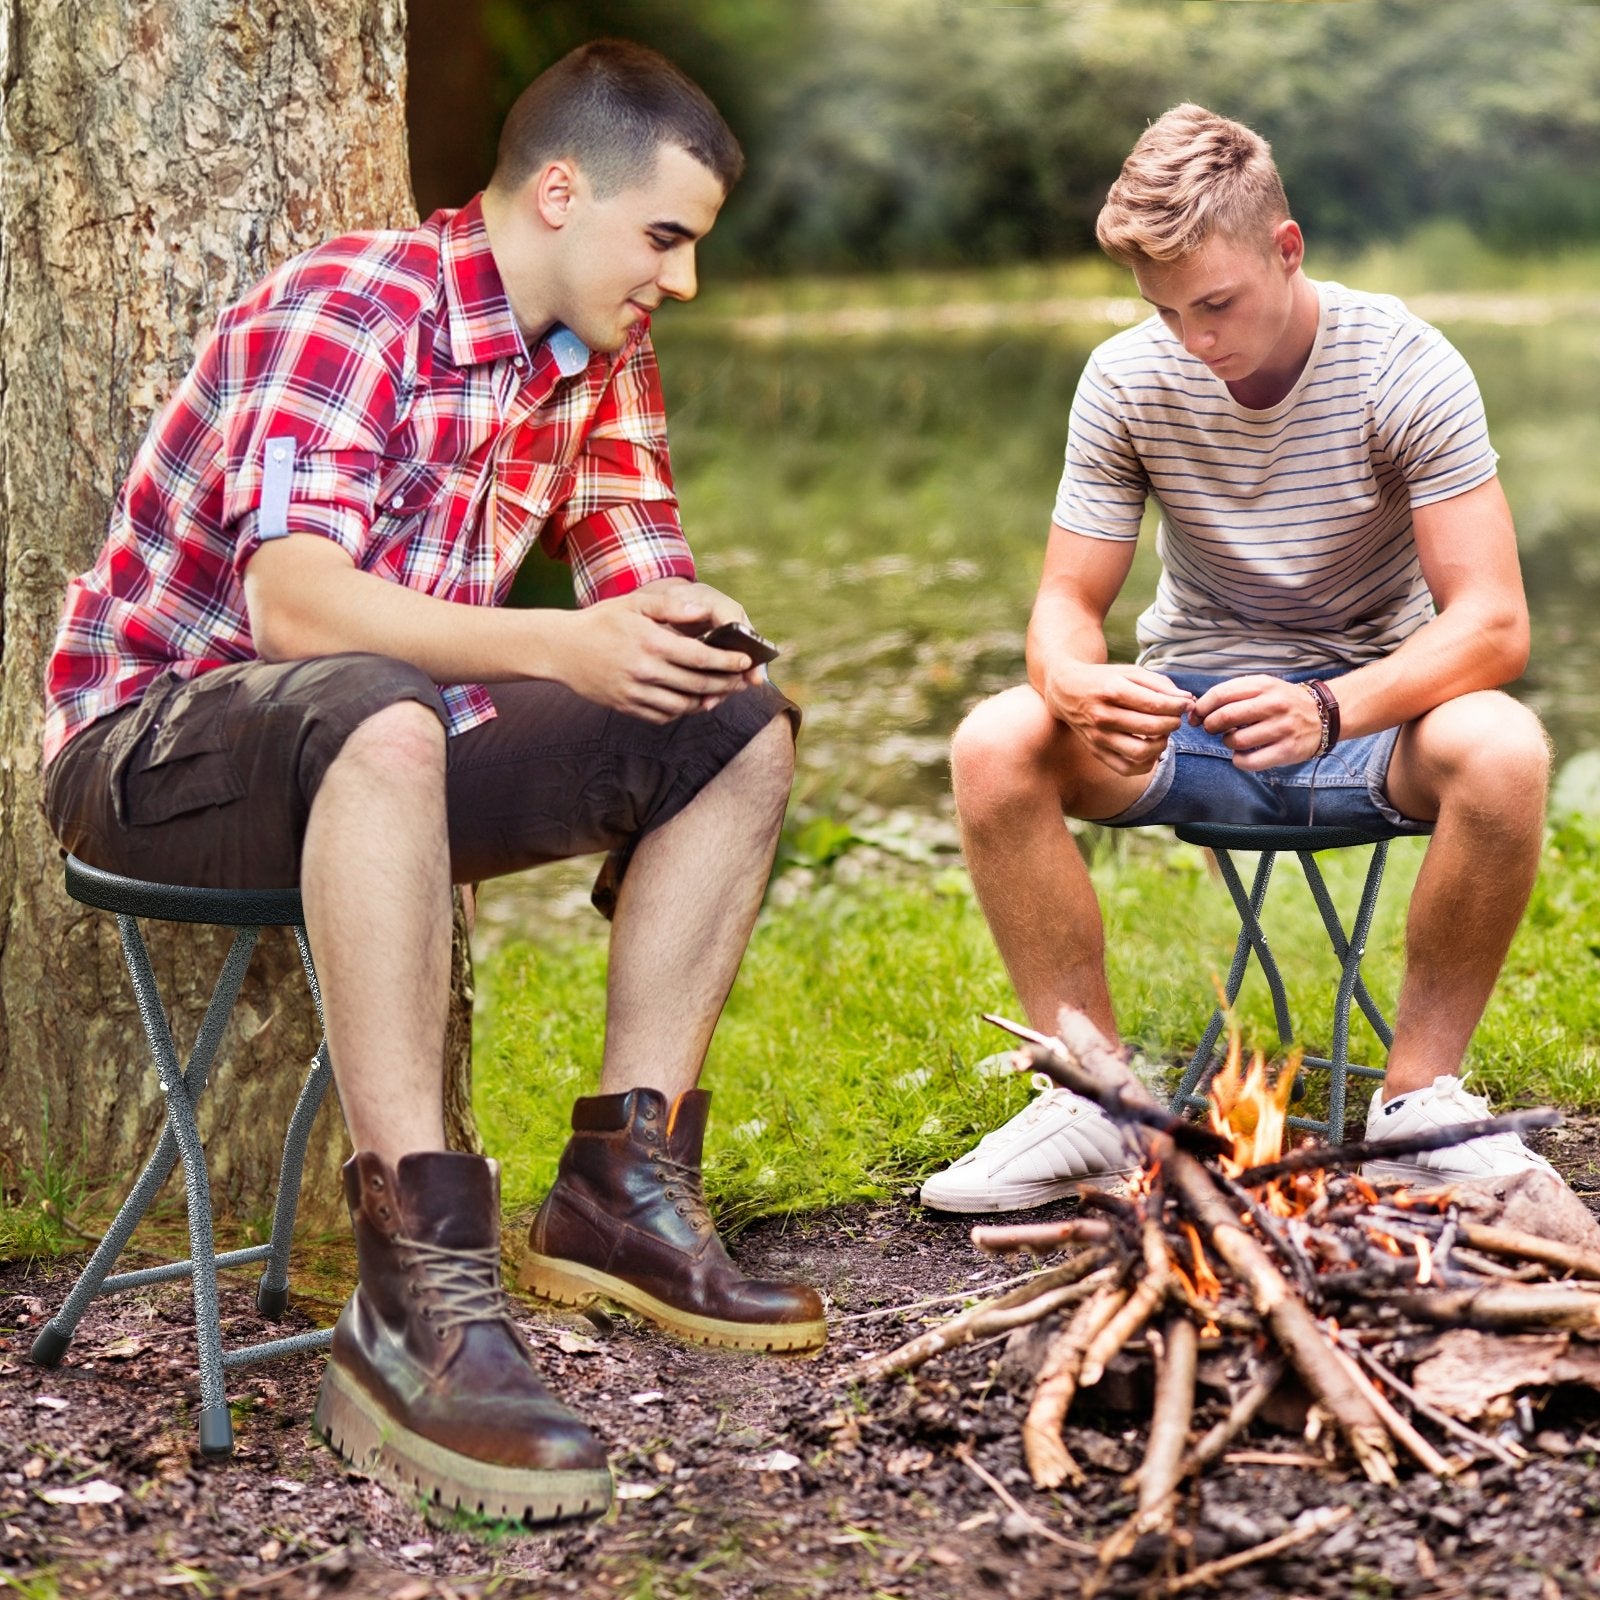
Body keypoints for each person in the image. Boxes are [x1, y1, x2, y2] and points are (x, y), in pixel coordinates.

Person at [41, 40, 825, 1523]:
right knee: (385, 711)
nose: (684, 279)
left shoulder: (599, 358)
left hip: (385, 747)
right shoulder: (359, 305)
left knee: (737, 725)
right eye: (665, 237)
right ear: (554, 192)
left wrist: (683, 634)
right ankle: (418, 1289)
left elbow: (633, 581)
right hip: (155, 748)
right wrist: (563, 643)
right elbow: (297, 608)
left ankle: (620, 1193)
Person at [919, 103, 1560, 1214]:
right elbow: (1066, 604)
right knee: (995, 740)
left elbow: (1493, 624)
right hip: (1192, 715)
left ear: (1287, 246)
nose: (1194, 339)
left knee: (1503, 747)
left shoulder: (1403, 365)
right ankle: (1092, 1102)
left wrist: (1328, 708)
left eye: (1214, 303)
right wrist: (1068, 679)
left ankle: (1417, 1105)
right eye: (1165, 311)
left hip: (1366, 712)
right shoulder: (1126, 380)